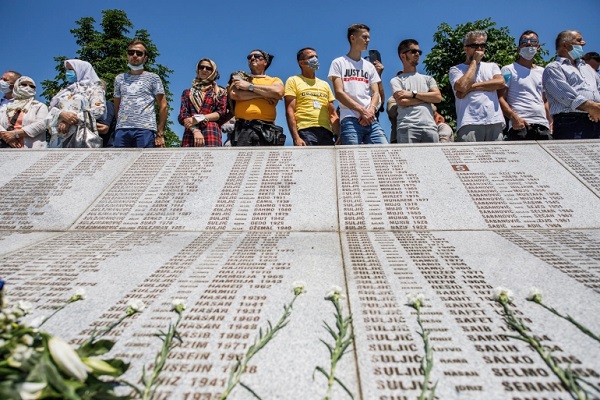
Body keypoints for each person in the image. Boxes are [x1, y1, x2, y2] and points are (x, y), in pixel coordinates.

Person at [328, 23, 388, 145]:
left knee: (385, 150)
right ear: (353, 38)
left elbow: (376, 92)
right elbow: (339, 93)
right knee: (353, 155)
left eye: (369, 37)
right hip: (350, 119)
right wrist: (362, 111)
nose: (368, 40)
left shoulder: (369, 66)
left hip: (371, 119)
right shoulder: (338, 63)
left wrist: (371, 110)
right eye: (364, 37)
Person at [543, 30, 600, 139]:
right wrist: (591, 107)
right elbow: (564, 95)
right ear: (565, 45)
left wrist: (597, 109)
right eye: (579, 40)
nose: (583, 43)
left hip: (596, 120)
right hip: (570, 122)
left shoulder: (588, 68)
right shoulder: (554, 68)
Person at [449, 30, 505, 142]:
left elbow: (500, 83)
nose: (479, 49)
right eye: (475, 46)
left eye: (482, 45)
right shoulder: (456, 69)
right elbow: (462, 86)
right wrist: (474, 61)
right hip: (469, 121)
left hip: (494, 121)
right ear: (465, 48)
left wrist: (472, 87)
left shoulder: (492, 66)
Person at [499, 30, 552, 141]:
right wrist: (513, 117)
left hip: (543, 125)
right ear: (518, 48)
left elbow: (544, 100)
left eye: (533, 41)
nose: (528, 43)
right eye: (524, 42)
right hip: (520, 125)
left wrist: (551, 121)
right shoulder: (508, 70)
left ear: (538, 47)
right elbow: (501, 98)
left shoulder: (543, 72)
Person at [113, 40, 168, 148]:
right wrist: (121, 122)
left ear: (145, 58)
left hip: (145, 129)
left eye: (139, 53)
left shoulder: (153, 78)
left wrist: (160, 133)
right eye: (131, 52)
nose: (134, 55)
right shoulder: (119, 79)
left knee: (144, 159)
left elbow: (163, 106)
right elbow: (117, 105)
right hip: (122, 129)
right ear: (127, 55)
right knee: (118, 158)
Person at [390, 39, 442, 143]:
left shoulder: (428, 78)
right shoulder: (396, 80)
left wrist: (412, 94)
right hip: (407, 126)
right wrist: (427, 99)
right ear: (403, 56)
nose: (417, 54)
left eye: (419, 52)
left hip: (430, 126)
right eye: (413, 51)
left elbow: (437, 97)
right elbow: (402, 101)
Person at [229, 49, 284, 146]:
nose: (252, 58)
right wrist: (264, 94)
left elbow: (278, 92)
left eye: (257, 56)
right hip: (243, 129)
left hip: (267, 129)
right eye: (249, 57)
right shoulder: (240, 78)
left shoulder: (274, 80)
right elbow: (235, 94)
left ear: (265, 62)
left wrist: (249, 87)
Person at [284, 47, 339, 146]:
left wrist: (339, 135)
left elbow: (332, 113)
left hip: (326, 131)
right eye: (311, 57)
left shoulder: (325, 84)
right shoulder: (293, 80)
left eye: (316, 57)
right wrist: (296, 137)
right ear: (301, 63)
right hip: (305, 130)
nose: (315, 59)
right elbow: (290, 111)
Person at [46, 59, 105, 148]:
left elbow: (98, 110)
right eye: (67, 70)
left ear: (81, 70)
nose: (68, 73)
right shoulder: (64, 90)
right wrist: (61, 115)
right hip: (59, 136)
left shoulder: (94, 89)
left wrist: (70, 120)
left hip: (81, 136)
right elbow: (51, 109)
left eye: (71, 70)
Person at [178, 58, 228, 147]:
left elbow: (221, 113)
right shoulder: (187, 92)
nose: (204, 70)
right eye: (201, 67)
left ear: (213, 71)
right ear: (197, 69)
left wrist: (199, 118)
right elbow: (183, 115)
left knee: (212, 156)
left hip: (211, 132)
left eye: (208, 68)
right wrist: (195, 130)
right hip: (190, 133)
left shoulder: (220, 92)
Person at [0, 76, 48, 148]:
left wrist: (15, 134)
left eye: (31, 86)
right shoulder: (5, 106)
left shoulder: (39, 106)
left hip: (30, 148)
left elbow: (42, 124)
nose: (28, 87)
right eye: (24, 84)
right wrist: (6, 137)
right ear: (16, 86)